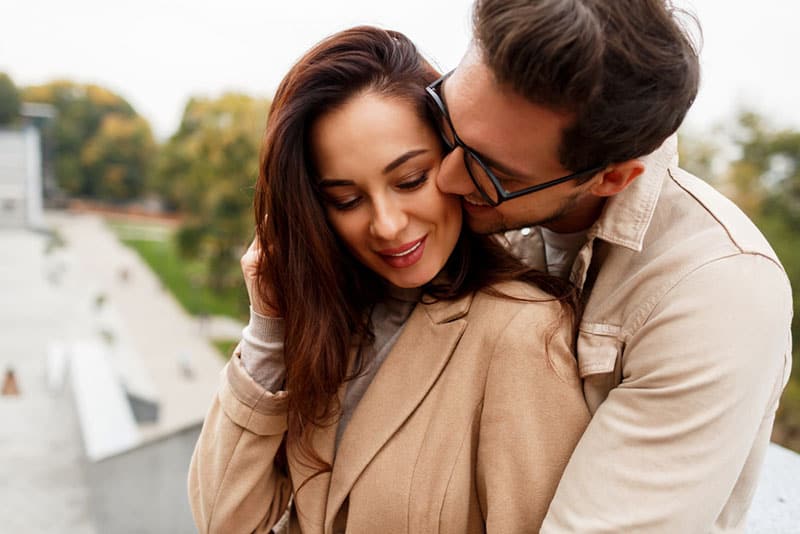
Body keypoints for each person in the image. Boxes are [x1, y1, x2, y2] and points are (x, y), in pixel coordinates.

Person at [188, 26, 590, 533]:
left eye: (409, 180)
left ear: (454, 158)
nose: (387, 225)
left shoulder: (522, 335)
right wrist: (268, 329)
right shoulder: (335, 324)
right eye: (346, 199)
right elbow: (224, 521)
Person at [425, 0, 792, 531]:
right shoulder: (448, 207)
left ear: (612, 178)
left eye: (491, 172)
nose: (444, 179)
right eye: (445, 119)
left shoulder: (717, 291)